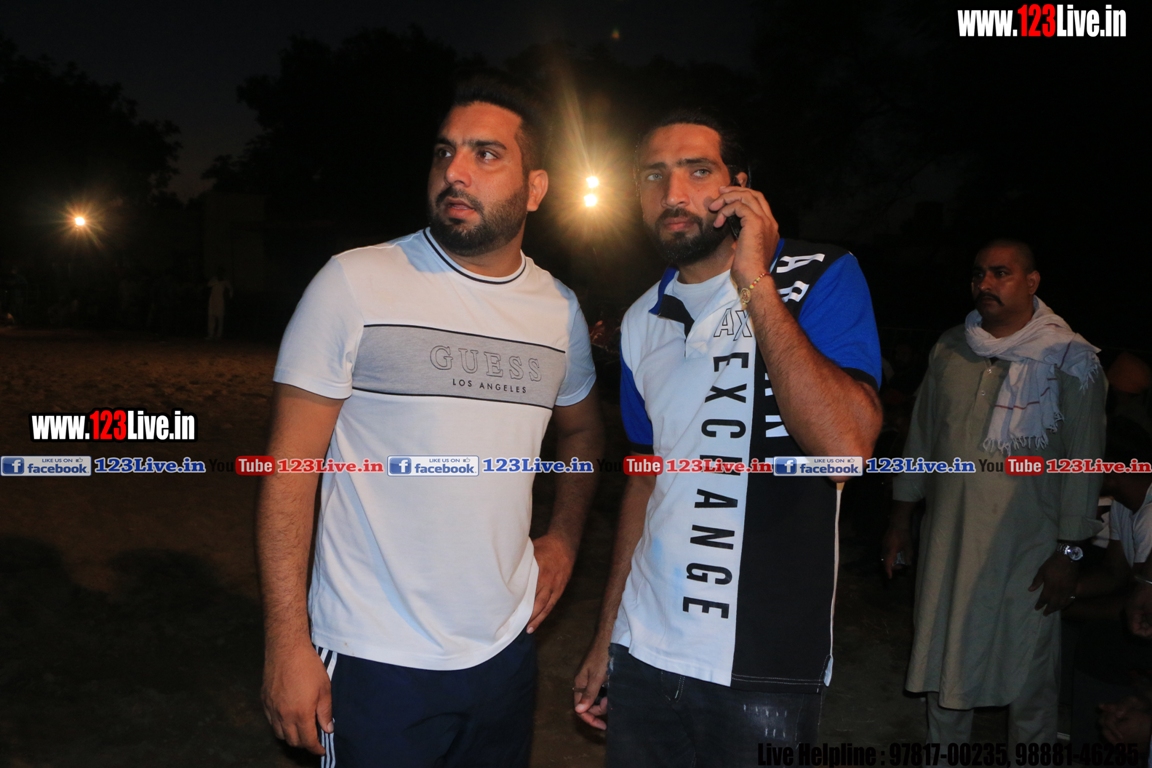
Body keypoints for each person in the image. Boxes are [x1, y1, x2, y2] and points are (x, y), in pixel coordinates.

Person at [257, 76, 604, 767]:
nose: (455, 172)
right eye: (445, 152)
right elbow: (290, 470)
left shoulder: (557, 310)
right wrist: (287, 642)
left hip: (505, 655)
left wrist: (564, 536)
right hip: (373, 657)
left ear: (535, 188)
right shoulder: (354, 283)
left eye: (486, 154)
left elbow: (583, 432)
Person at [573, 110, 883, 766]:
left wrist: (757, 284)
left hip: (764, 661)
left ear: (739, 186)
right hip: (645, 649)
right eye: (653, 175)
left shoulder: (819, 273)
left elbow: (847, 448)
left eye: (697, 170)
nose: (672, 192)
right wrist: (607, 636)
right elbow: (646, 482)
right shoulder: (640, 318)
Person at [882, 239, 1106, 745]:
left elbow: (1084, 462)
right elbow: (921, 440)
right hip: (948, 544)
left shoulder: (1071, 360)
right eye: (978, 274)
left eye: (1001, 273)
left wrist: (1069, 553)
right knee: (943, 665)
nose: (985, 284)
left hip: (1027, 553)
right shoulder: (951, 347)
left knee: (1029, 681)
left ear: (1032, 282)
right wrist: (899, 520)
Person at [205, 269, 232, 340]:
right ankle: (211, 334)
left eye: (221, 272)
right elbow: (209, 285)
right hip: (212, 301)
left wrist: (229, 297)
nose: (219, 274)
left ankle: (219, 335)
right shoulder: (214, 279)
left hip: (220, 301)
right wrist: (217, 281)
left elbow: (230, 289)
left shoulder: (225, 281)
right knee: (211, 317)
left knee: (220, 318)